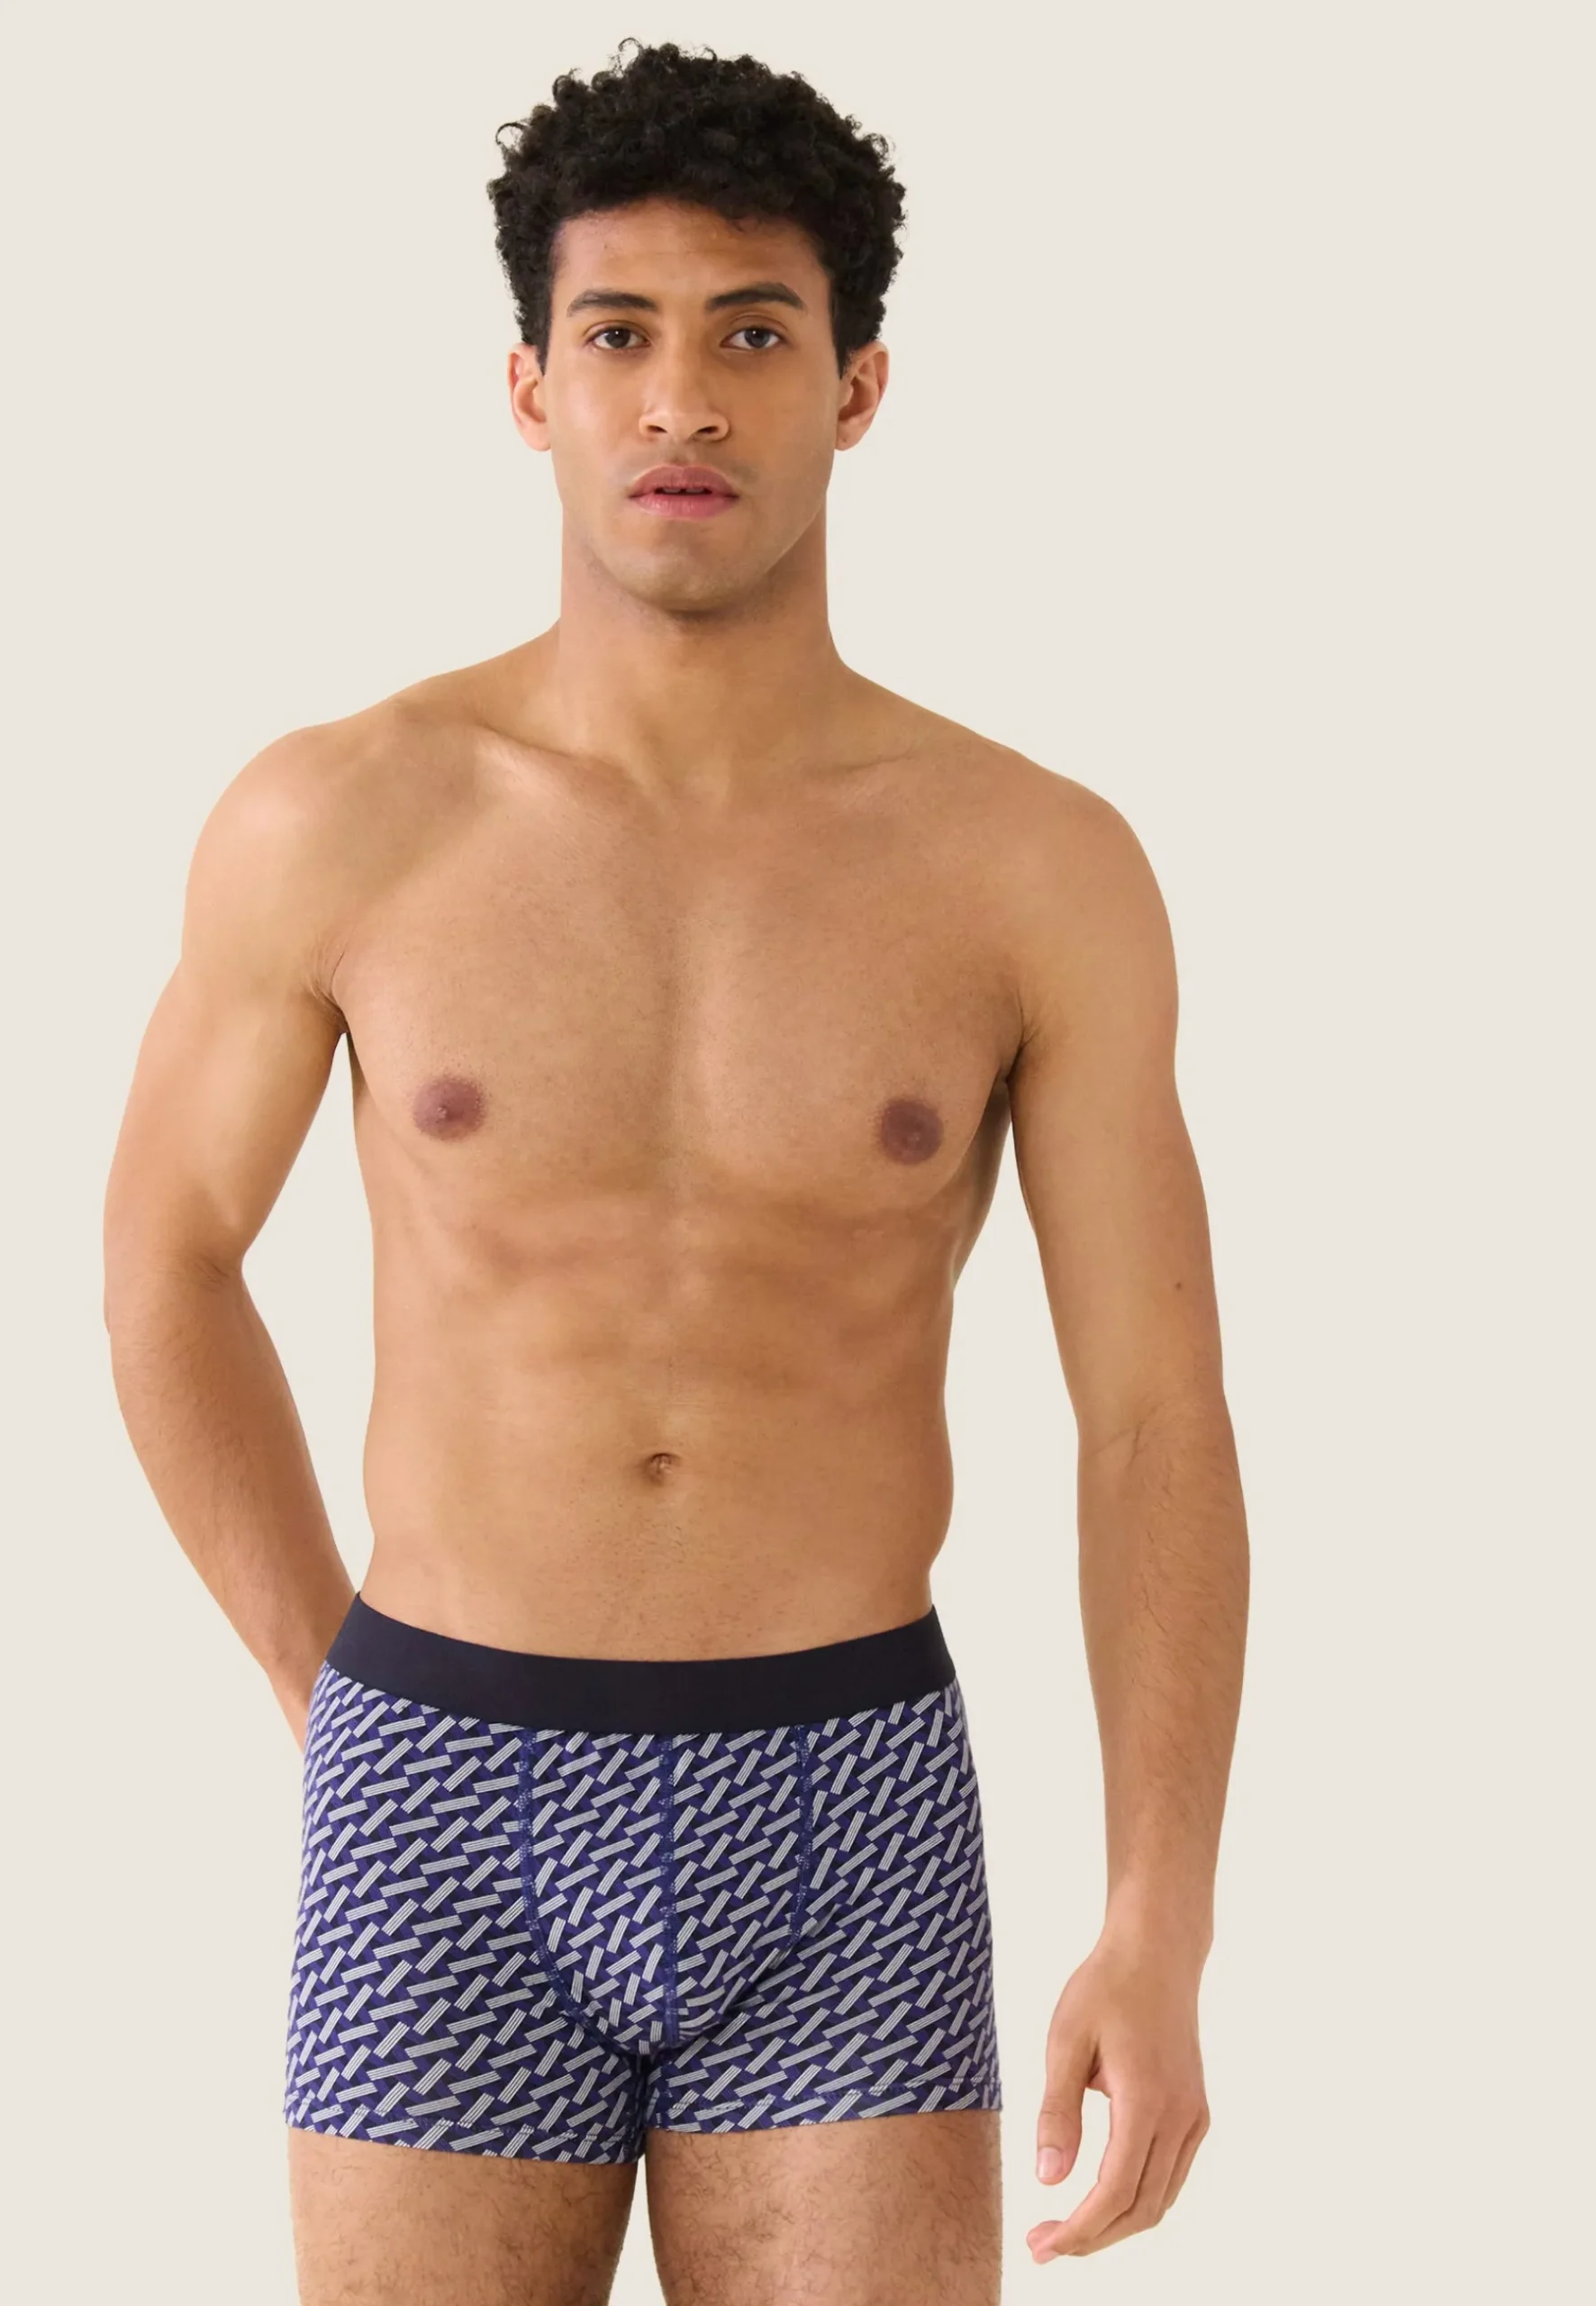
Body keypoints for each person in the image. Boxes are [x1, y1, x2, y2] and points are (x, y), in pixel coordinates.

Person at [103, 38, 1248, 2306]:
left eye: (752, 334)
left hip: (844, 1792)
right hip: (435, 1779)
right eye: (619, 334)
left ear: (857, 387)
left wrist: (1158, 1915)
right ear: (530, 389)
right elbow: (166, 1257)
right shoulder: (342, 816)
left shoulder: (1032, 866)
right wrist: (338, 1700)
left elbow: (1152, 1414)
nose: (682, 400)